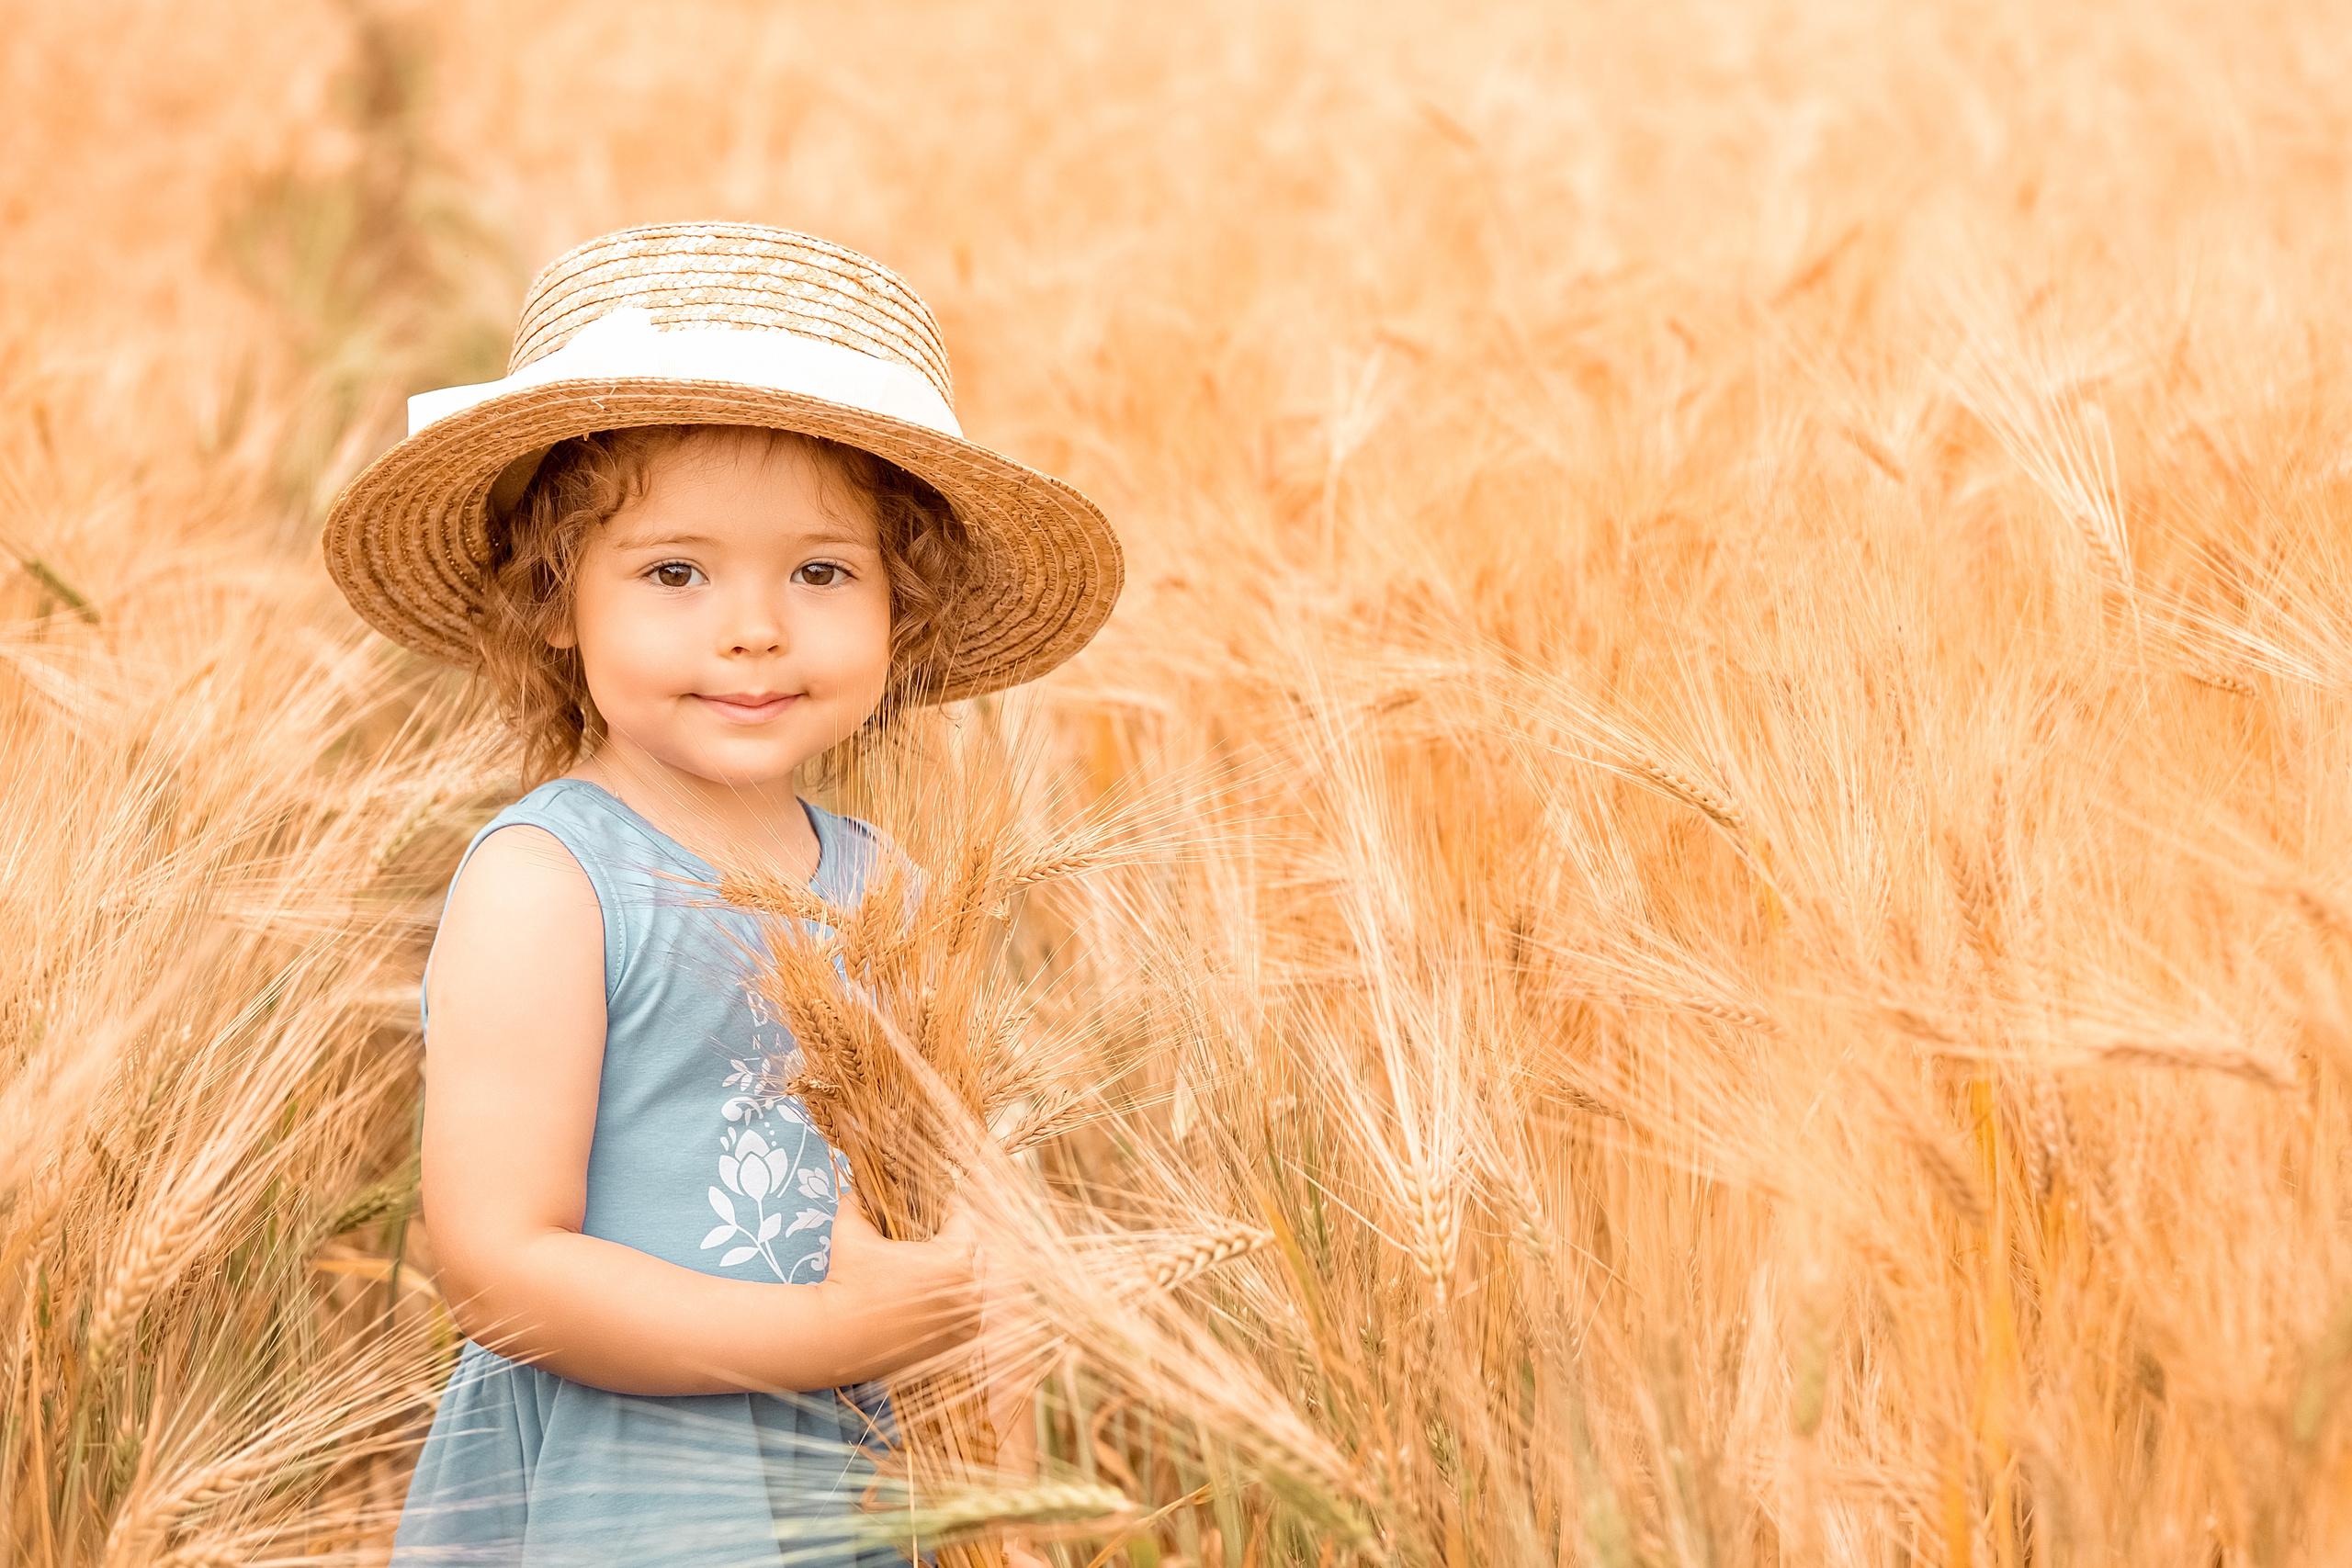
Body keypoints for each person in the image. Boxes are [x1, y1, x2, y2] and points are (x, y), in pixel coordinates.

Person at [323, 222, 1123, 1567]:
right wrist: (820, 1338)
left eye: (821, 571)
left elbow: (966, 1208)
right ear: (553, 602)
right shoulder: (548, 883)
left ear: (900, 611)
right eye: (675, 571)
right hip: (628, 1490)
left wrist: (1004, 1462)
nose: (753, 627)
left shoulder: (902, 891)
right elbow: (498, 1265)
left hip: (868, 1486)